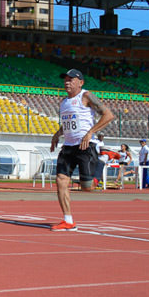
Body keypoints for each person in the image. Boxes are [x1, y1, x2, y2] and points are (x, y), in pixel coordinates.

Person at [49, 69, 115, 231]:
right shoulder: (64, 102)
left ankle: (101, 162)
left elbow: (108, 115)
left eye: (71, 79)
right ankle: (68, 220)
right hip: (69, 147)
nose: (67, 82)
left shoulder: (86, 96)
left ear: (81, 82)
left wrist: (91, 132)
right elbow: (67, 123)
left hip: (86, 146)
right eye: (65, 79)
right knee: (61, 181)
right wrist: (57, 135)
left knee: (87, 187)